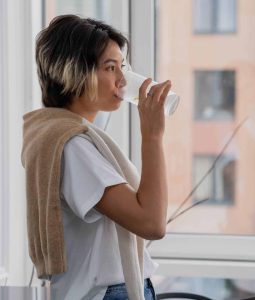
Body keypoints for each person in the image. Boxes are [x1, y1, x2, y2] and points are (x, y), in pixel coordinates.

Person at [21, 14, 171, 300]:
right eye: (110, 68)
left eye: (122, 67)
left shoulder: (67, 137)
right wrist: (152, 136)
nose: (122, 80)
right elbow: (152, 223)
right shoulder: (73, 147)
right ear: (75, 72)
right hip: (109, 293)